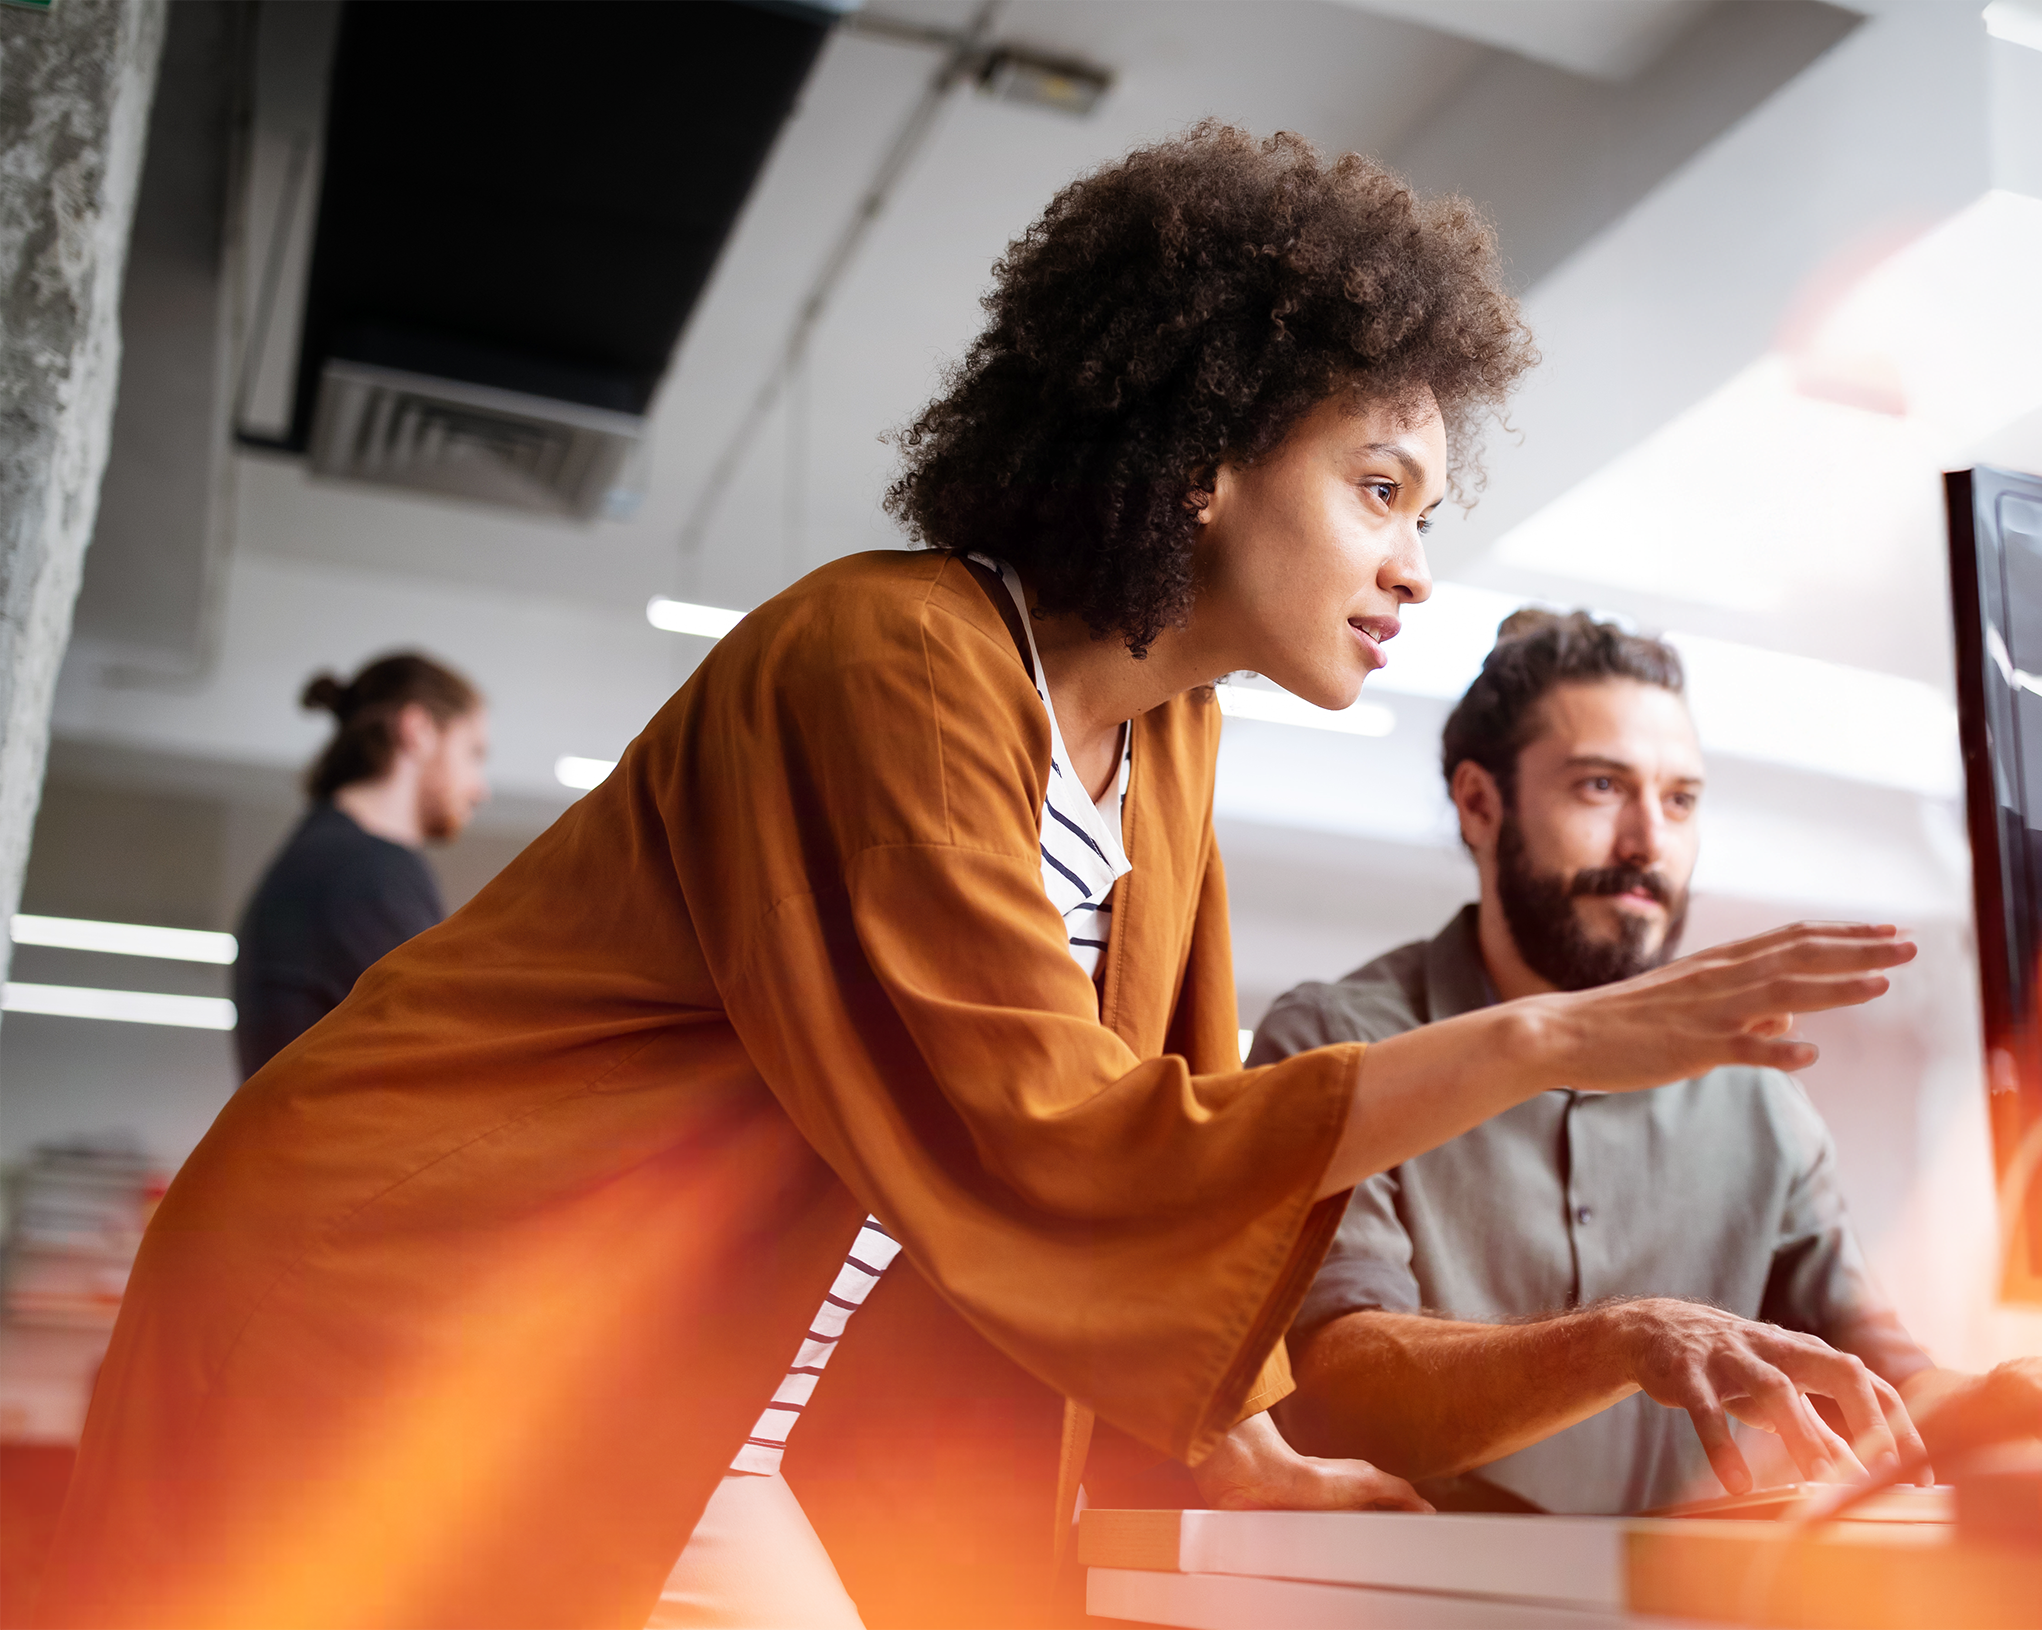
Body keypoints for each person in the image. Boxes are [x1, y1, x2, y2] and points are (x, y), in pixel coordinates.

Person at [40, 126, 1918, 1630]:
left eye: (1428, 511)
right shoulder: (891, 662)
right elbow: (1066, 1142)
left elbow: (1165, 1171)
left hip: (686, 1403)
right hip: (402, 1319)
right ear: (1201, 460)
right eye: (1378, 489)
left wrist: (1252, 1446)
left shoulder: (1164, 742)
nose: (1414, 565)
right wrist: (1560, 1038)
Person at [1259, 610, 2042, 1516]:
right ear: (1481, 805)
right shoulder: (1338, 1046)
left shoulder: (1757, 1094)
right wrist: (1623, 1340)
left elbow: (1879, 1377)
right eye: (1602, 787)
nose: (1649, 842)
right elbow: (1335, 1391)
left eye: (1680, 800)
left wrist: (1980, 1402)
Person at [230, 653, 490, 1078]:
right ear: (418, 729)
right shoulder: (368, 870)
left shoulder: (324, 857)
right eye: (473, 753)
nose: (481, 790)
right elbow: (445, 1058)